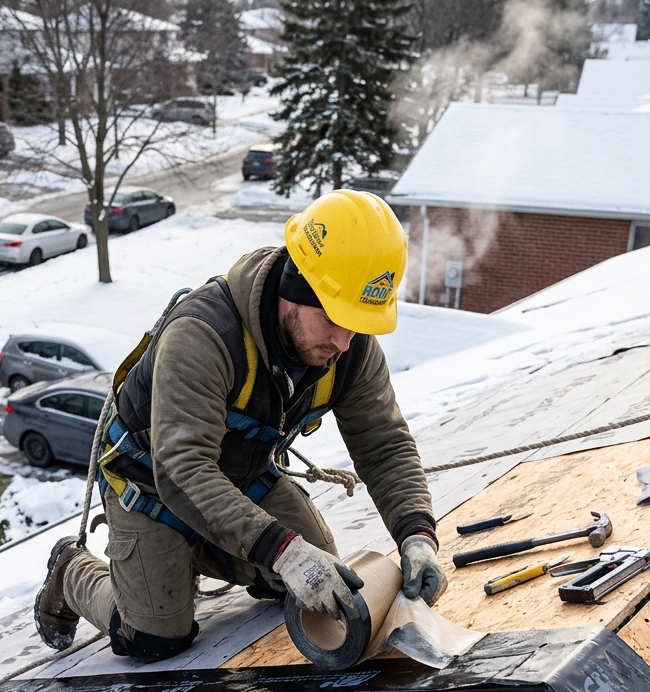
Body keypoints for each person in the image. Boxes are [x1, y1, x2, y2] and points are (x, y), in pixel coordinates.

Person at [34, 189, 446, 660]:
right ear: (294, 289)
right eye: (334, 319)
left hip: (244, 478)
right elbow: (181, 469)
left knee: (326, 584)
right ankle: (72, 569)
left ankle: (204, 551)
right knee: (154, 637)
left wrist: (417, 533)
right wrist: (283, 552)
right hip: (149, 486)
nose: (344, 341)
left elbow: (384, 445)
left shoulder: (349, 349)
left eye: (358, 323)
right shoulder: (205, 336)